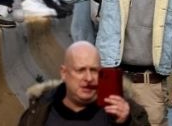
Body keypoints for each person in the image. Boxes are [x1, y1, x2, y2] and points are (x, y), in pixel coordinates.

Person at [18, 41, 148, 126]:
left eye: (94, 70)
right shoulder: (39, 110)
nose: (88, 78)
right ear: (64, 73)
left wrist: (127, 122)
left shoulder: (124, 110)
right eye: (80, 70)